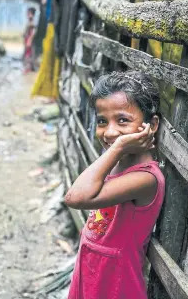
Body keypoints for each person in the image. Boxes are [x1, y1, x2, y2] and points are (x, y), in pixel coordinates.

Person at [64, 70, 165, 299]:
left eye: (123, 120)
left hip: (116, 286)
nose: (110, 132)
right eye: (102, 121)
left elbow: (75, 197)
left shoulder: (145, 178)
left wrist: (118, 147)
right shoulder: (117, 164)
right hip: (91, 276)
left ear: (152, 125)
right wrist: (117, 151)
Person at [23, 7, 36, 74]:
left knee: (28, 54)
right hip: (27, 39)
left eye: (28, 13)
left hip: (29, 40)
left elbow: (33, 32)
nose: (27, 14)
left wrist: (29, 40)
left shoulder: (32, 22)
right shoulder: (30, 21)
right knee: (27, 53)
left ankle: (28, 68)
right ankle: (29, 68)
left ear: (32, 14)